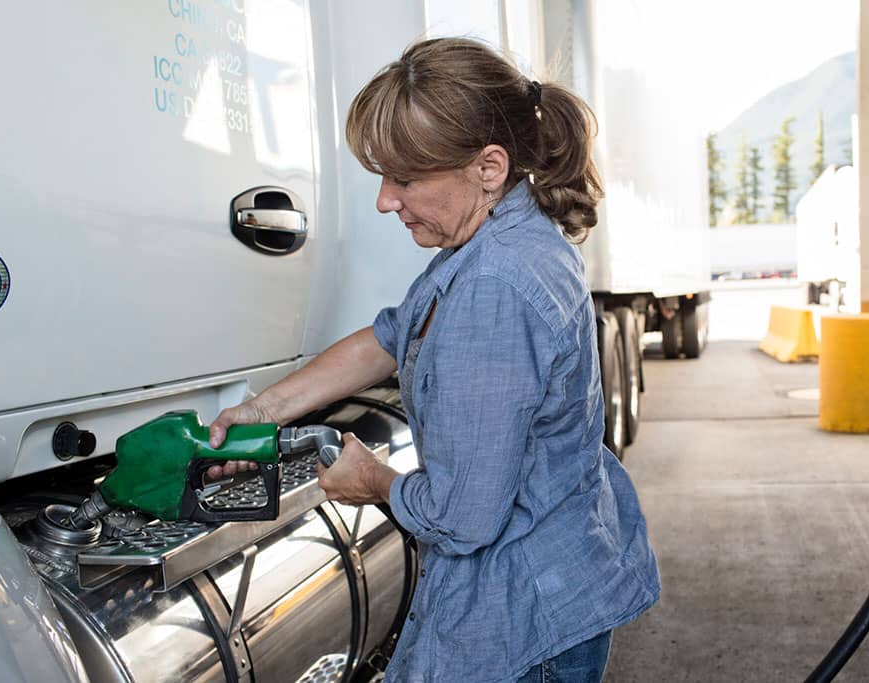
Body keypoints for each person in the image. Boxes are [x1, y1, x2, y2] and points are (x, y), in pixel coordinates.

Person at [209, 37, 660, 683]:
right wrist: (263, 410)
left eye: (405, 179)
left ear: (489, 167)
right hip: (548, 585)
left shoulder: (494, 285)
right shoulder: (492, 243)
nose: (384, 201)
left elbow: (464, 517)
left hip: (521, 620)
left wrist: (373, 481)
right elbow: (391, 337)